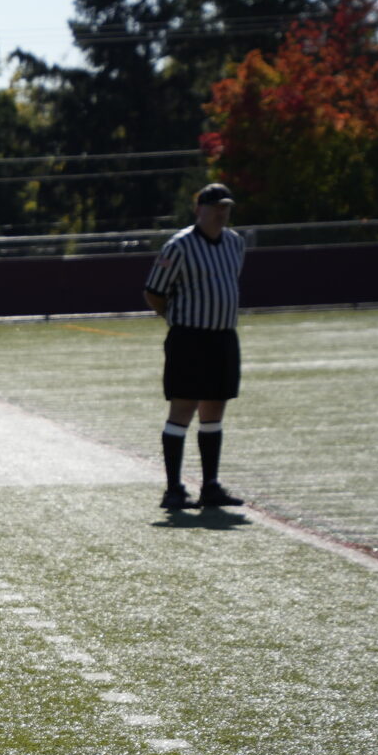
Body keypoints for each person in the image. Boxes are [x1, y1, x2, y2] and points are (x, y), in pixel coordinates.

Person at [144, 183, 248, 512]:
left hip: (222, 337)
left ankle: (210, 486)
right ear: (199, 209)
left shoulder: (234, 243)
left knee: (214, 409)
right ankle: (173, 488)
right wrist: (174, 318)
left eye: (226, 207)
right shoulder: (180, 245)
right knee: (183, 408)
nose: (222, 213)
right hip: (189, 338)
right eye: (216, 206)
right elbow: (154, 291)